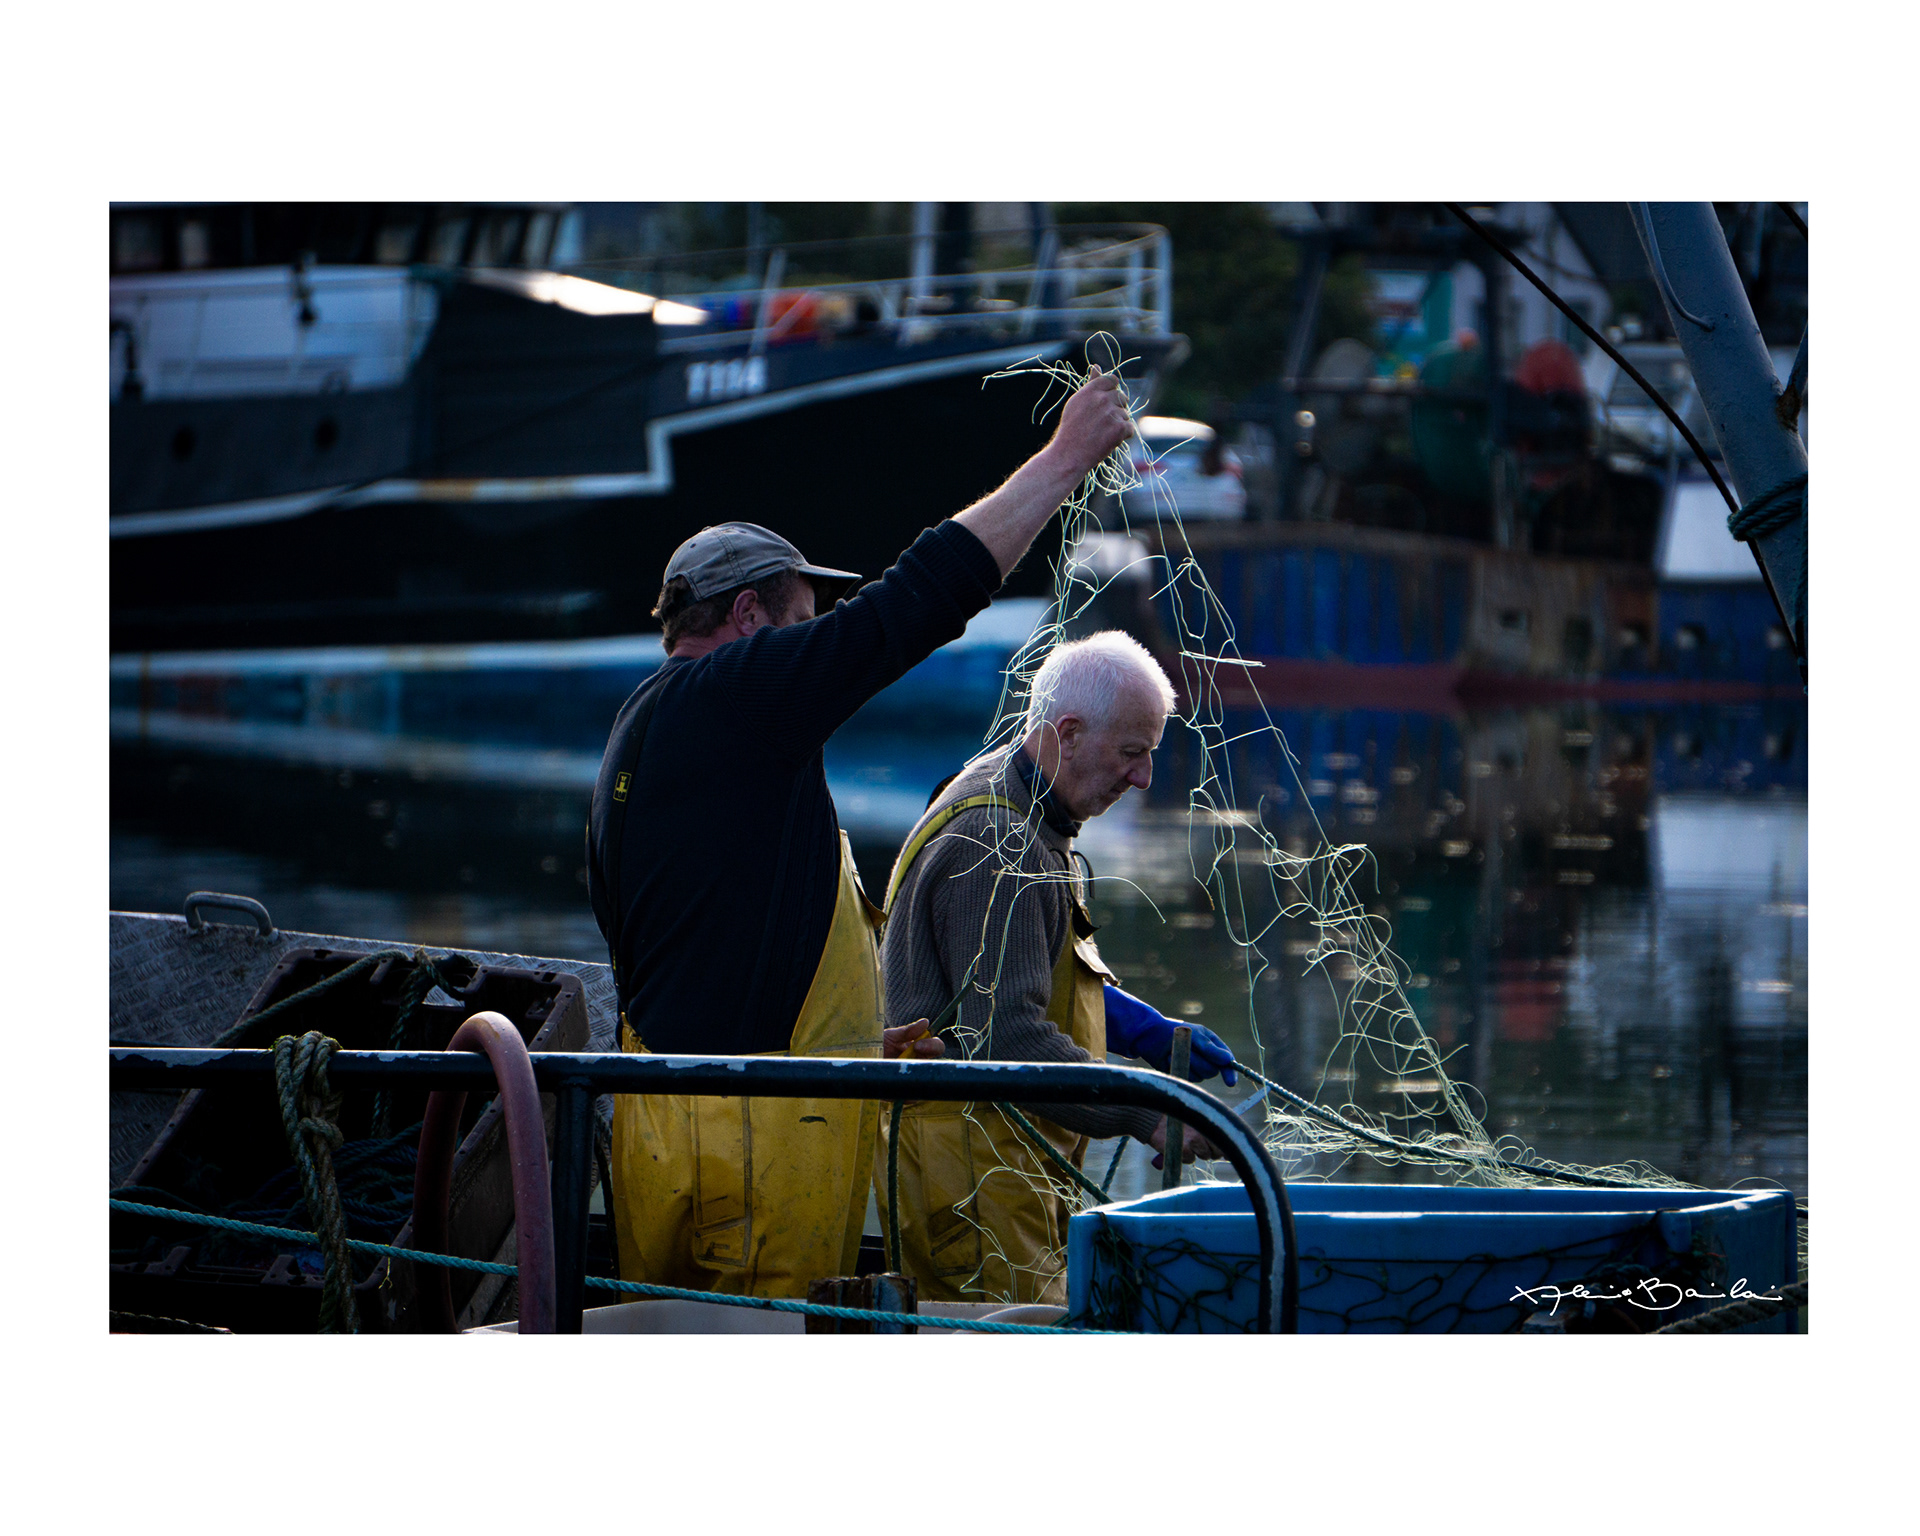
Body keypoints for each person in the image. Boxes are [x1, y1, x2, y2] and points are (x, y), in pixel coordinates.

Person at [586, 368, 1134, 1299]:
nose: (815, 644)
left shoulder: (638, 733)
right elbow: (911, 603)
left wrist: (850, 1042)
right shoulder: (741, 692)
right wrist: (1064, 460)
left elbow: (695, 944)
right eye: (802, 626)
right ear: (749, 619)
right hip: (756, 1139)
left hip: (660, 1129)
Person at [877, 630, 1239, 1306]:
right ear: (1068, 733)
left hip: (1005, 1165)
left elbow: (1025, 969)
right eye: (1131, 753)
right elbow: (1006, 1039)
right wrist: (1151, 1111)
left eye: (1150, 754)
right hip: (972, 1186)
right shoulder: (998, 844)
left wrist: (1136, 1027)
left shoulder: (1029, 804)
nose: (1144, 778)